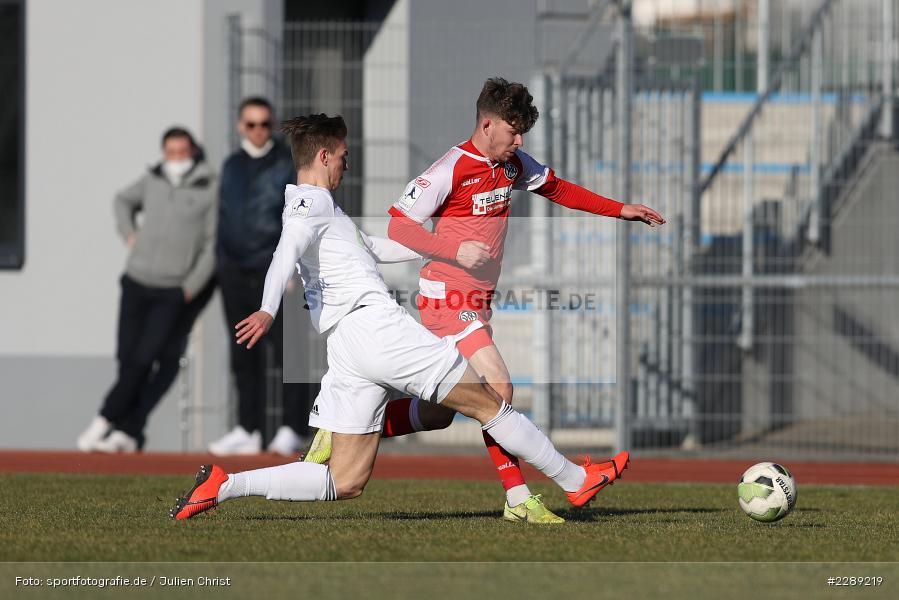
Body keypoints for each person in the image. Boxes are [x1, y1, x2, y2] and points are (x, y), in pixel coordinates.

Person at [170, 114, 628, 520]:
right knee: (489, 400)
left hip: (348, 348)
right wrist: (268, 309)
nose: (348, 164)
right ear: (325, 155)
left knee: (343, 482)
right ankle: (573, 480)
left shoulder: (325, 211)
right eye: (344, 156)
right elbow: (284, 251)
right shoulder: (309, 204)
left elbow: (375, 248)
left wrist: (444, 243)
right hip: (377, 329)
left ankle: (223, 486)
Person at [303, 78, 664, 523]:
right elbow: (399, 226)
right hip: (447, 297)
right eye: (513, 130)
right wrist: (453, 251)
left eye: (523, 132)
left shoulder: (511, 163)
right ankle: (520, 499)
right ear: (487, 124)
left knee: (439, 414)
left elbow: (558, 188)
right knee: (498, 386)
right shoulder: (449, 169)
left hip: (478, 299)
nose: (520, 140)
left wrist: (619, 208)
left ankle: (339, 433)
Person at [76, 127, 217, 452]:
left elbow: (212, 244)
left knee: (145, 358)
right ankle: (129, 432)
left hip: (172, 291)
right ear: (163, 153)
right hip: (136, 281)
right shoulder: (152, 180)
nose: (177, 159)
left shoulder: (209, 187)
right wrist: (128, 233)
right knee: (127, 357)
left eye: (183, 152)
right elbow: (122, 200)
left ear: (193, 151)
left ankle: (104, 419)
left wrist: (189, 287)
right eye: (171, 152)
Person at [211, 96, 315, 456]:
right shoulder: (231, 165)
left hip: (276, 274)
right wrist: (222, 264)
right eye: (251, 124)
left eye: (264, 124)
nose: (258, 131)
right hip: (234, 272)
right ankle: (248, 428)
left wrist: (291, 268)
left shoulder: (285, 165)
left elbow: (296, 219)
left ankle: (292, 428)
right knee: (244, 353)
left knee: (290, 353)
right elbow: (224, 215)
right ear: (241, 126)